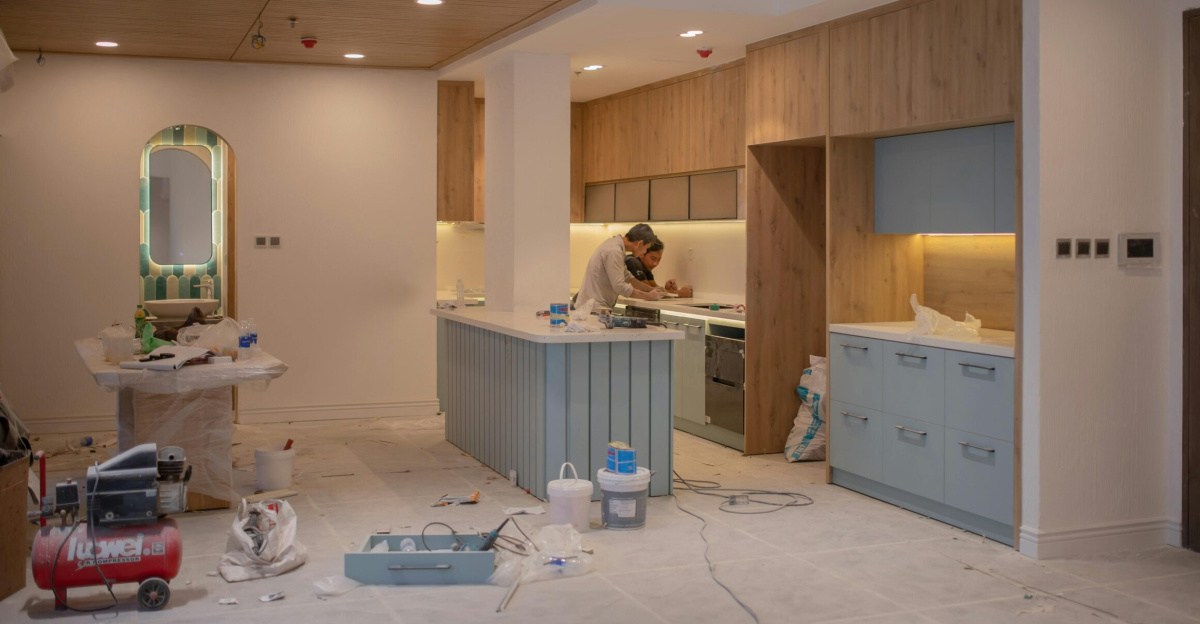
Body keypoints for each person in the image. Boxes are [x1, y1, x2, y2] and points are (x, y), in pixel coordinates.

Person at [575, 224, 665, 308]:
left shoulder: (616, 247)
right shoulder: (614, 251)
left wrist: (651, 289)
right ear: (640, 243)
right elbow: (620, 286)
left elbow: (628, 277)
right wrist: (647, 296)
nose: (644, 252)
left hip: (593, 306)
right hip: (593, 308)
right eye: (646, 248)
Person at [625, 238, 694, 298]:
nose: (655, 263)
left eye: (658, 260)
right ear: (642, 254)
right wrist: (679, 293)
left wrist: (668, 289)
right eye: (653, 258)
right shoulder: (633, 262)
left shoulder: (646, 266)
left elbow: (654, 289)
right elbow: (647, 291)